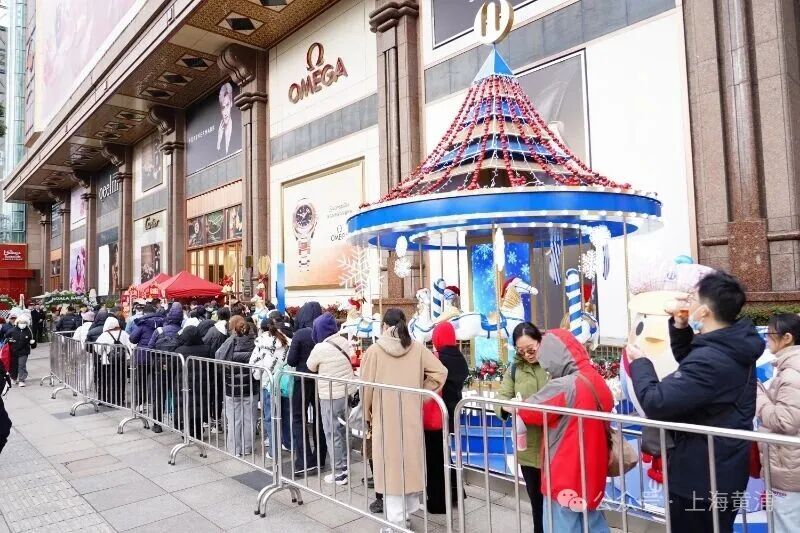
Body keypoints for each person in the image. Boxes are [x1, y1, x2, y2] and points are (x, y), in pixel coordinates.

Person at [628, 271, 763, 532]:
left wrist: (641, 363)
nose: (687, 304)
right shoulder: (733, 344)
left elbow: (656, 402)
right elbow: (694, 363)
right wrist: (681, 328)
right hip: (722, 470)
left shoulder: (712, 360)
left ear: (704, 311)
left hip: (700, 479)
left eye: (692, 299)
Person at [361, 308, 447, 530]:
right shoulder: (416, 348)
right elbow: (440, 372)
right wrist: (420, 394)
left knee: (390, 468)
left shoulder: (374, 351)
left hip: (384, 415)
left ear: (383, 325)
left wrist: (367, 413)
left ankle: (395, 522)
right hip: (410, 414)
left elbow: (366, 389)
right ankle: (406, 513)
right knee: (408, 464)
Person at [494, 322, 548, 530]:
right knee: (537, 502)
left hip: (554, 443)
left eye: (531, 349)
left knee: (559, 502)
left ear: (540, 341)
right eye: (521, 351)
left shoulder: (553, 364)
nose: (527, 354)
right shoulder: (515, 368)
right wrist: (508, 406)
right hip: (528, 446)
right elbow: (501, 397)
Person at [755, 313, 800, 532]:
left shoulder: (792, 372)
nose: (766, 339)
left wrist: (757, 396)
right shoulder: (789, 368)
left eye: (770, 333)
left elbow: (785, 421)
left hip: (789, 467)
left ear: (787, 337)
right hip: (789, 465)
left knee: (785, 525)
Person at [424, 321, 469, 514]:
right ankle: (456, 493)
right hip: (453, 413)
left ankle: (438, 502)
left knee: (434, 458)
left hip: (436, 413)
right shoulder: (460, 358)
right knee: (446, 455)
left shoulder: (438, 359)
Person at [306, 313, 354, 485]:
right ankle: (345, 465)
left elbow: (310, 366)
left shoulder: (320, 348)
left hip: (330, 396)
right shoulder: (343, 341)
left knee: (332, 433)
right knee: (344, 430)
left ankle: (339, 472)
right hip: (347, 392)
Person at [287, 301, 327, 476]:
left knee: (298, 419)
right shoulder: (324, 333)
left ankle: (304, 459)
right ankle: (320, 458)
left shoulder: (301, 334)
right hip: (320, 380)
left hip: (302, 380)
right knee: (319, 419)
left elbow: (291, 360)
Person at [216, 315, 258, 457]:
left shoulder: (229, 342)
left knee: (234, 419)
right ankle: (247, 447)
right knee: (249, 418)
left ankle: (235, 449)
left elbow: (219, 357)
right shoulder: (254, 342)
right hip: (251, 386)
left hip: (232, 386)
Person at [249, 317, 291, 457]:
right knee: (286, 415)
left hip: (268, 384)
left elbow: (255, 365)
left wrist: (259, 377)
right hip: (285, 383)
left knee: (270, 417)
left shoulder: (261, 344)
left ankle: (274, 450)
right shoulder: (286, 341)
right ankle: (289, 443)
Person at [146, 302, 184, 433]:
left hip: (160, 368)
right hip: (177, 368)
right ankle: (178, 423)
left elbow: (150, 347)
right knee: (178, 396)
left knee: (159, 396)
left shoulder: (159, 331)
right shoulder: (182, 331)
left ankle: (157, 424)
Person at [175, 325, 212, 438]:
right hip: (202, 383)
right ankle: (198, 431)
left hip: (185, 383)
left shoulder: (180, 350)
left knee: (187, 406)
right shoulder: (207, 349)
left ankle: (188, 430)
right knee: (199, 406)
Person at [94, 316, 132, 405]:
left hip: (108, 362)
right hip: (122, 361)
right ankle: (119, 399)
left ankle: (109, 399)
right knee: (121, 381)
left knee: (108, 381)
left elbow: (97, 349)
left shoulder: (104, 335)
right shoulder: (124, 333)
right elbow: (130, 345)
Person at [6, 314, 36, 387]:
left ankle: (22, 380)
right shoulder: (12, 330)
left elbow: (33, 345)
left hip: (24, 352)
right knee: (14, 366)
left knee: (21, 365)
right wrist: (9, 340)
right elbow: (6, 338)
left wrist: (33, 343)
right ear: (17, 322)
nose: (22, 324)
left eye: (24, 322)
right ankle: (13, 378)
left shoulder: (29, 331)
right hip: (14, 351)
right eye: (21, 322)